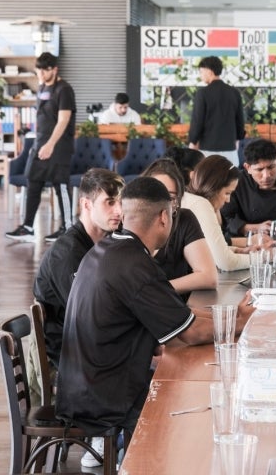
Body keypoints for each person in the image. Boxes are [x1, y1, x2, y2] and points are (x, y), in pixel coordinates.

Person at [55, 177, 253, 456]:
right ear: (164, 217)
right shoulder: (134, 264)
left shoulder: (113, 249)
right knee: (194, 407)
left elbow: (179, 314)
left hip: (85, 384)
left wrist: (234, 315)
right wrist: (243, 322)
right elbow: (191, 332)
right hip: (103, 397)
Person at [32, 168, 124, 374]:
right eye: (110, 202)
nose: (119, 211)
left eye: (121, 202)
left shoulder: (108, 242)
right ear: (86, 204)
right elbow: (92, 317)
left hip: (93, 348)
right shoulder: (68, 253)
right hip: (69, 361)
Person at [5, 52, 76, 243]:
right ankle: (28, 227)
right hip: (40, 144)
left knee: (60, 185)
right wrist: (37, 144)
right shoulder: (43, 87)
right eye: (39, 71)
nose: (42, 75)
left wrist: (51, 145)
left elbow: (63, 120)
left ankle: (67, 228)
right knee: (33, 181)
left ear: (55, 69)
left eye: (46, 71)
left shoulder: (64, 90)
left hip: (59, 146)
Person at [140, 158, 217, 298]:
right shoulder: (125, 223)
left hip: (177, 310)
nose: (161, 203)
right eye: (155, 194)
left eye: (170, 197)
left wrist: (155, 291)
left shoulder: (184, 219)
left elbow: (209, 277)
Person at [183, 155, 252, 271]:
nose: (228, 200)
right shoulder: (201, 204)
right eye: (227, 193)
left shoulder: (189, 198)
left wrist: (236, 250)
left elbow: (208, 249)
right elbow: (226, 263)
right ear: (213, 187)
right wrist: (263, 258)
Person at [188, 56, 245, 166]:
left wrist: (193, 141)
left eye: (201, 71)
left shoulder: (203, 93)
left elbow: (197, 121)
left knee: (208, 182)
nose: (201, 75)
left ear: (209, 71)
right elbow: (240, 121)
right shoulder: (234, 92)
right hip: (230, 150)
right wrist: (237, 139)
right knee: (230, 181)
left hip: (207, 151)